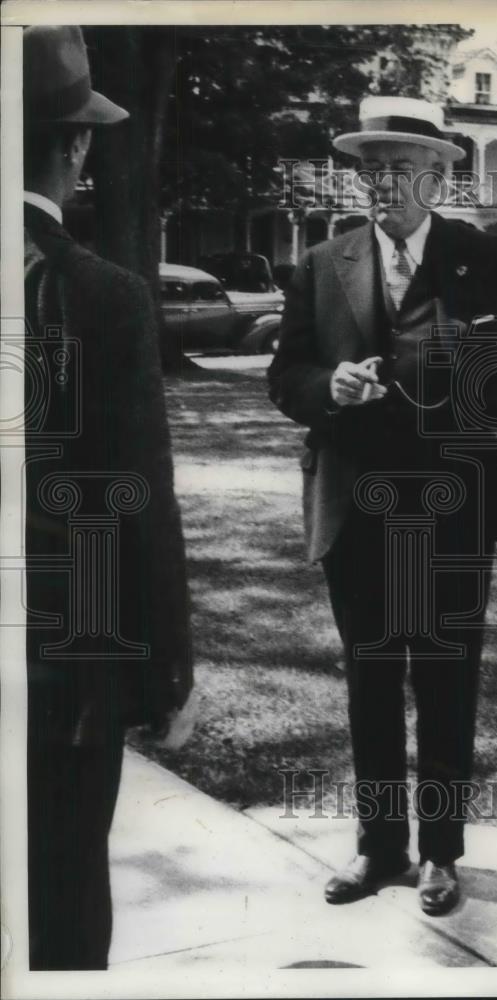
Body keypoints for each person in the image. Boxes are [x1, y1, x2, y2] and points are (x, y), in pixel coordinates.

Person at [268, 96, 497, 915]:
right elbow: (286, 374)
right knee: (370, 677)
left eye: (402, 167)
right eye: (371, 167)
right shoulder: (321, 263)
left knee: (444, 677)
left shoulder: (479, 255)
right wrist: (324, 389)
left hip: (453, 506)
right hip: (358, 505)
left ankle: (441, 855)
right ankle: (379, 851)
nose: (383, 183)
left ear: (439, 173)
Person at [23, 25, 194, 969]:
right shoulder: (105, 294)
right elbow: (137, 499)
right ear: (77, 143)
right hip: (62, 665)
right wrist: (166, 668)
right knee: (62, 894)